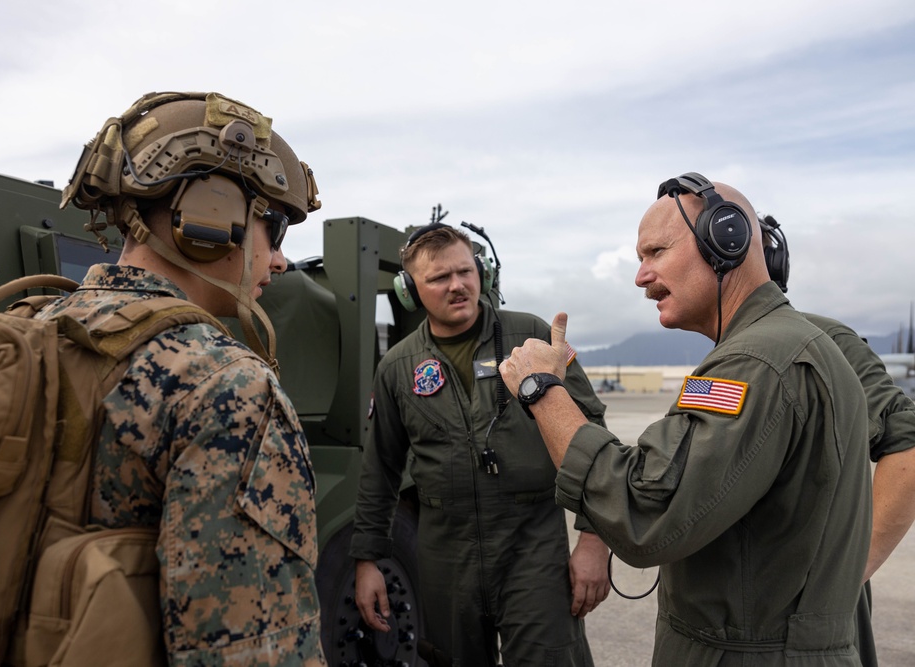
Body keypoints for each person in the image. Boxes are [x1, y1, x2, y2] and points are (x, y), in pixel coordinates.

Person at [500, 173, 873, 665]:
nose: (640, 277)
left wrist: (541, 391)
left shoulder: (757, 362)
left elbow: (644, 513)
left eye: (656, 252)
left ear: (727, 238)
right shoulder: (780, 346)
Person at [47, 91, 326, 665]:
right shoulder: (224, 386)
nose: (277, 260)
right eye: (272, 228)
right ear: (211, 214)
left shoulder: (26, 326)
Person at [349, 222, 610, 667]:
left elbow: (592, 433)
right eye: (438, 278)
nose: (458, 286)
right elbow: (381, 469)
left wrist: (594, 539)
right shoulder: (396, 367)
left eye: (465, 272)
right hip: (445, 556)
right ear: (410, 291)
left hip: (532, 547)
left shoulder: (531, 336)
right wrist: (367, 559)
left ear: (481, 274)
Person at [760, 214, 915, 667]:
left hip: (809, 627)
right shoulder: (720, 360)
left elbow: (905, 445)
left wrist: (845, 575)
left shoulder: (824, 339)